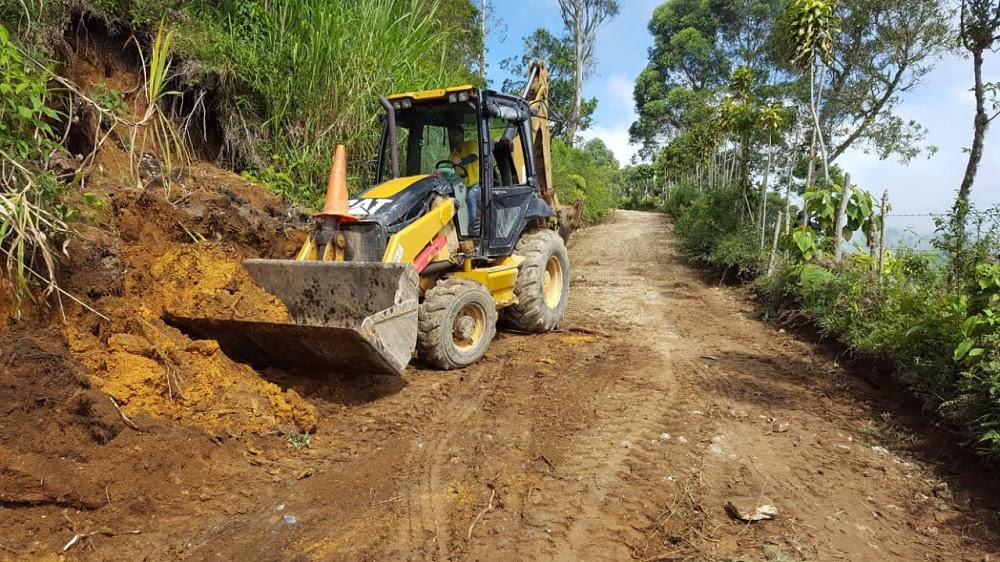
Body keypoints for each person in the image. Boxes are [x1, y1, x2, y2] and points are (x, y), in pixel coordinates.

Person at [448, 125, 480, 234]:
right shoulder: (453, 154)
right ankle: (457, 229)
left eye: (454, 135)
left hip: (474, 184)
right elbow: (448, 166)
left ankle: (472, 229)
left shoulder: (471, 145)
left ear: (461, 135)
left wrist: (461, 161)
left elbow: (474, 157)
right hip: (460, 187)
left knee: (470, 198)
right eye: (451, 135)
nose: (452, 138)